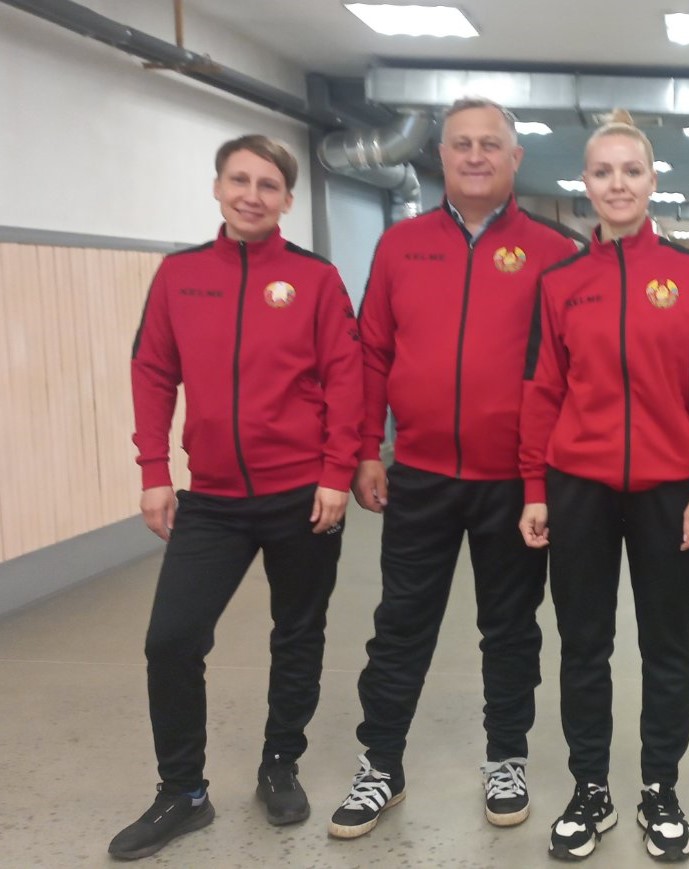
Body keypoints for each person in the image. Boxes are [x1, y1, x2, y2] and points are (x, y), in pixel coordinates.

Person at [328, 97, 581, 840]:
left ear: (515, 159)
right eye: (461, 144)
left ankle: (507, 757)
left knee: (510, 629)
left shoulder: (554, 253)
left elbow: (568, 374)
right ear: (439, 157)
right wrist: (365, 449)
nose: (475, 155)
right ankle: (381, 763)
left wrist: (546, 481)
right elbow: (372, 354)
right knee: (401, 624)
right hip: (420, 474)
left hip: (514, 483)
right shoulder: (400, 246)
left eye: (489, 144)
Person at [110, 135, 363, 860]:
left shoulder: (314, 279)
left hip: (302, 495)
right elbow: (152, 371)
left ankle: (279, 763)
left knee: (298, 632)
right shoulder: (180, 275)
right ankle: (183, 792)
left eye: (267, 184)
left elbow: (346, 377)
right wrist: (154, 470)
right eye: (239, 180)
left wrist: (337, 472)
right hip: (213, 500)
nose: (252, 194)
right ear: (218, 188)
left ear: (287, 199)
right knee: (171, 639)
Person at [519, 111, 689, 862]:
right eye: (604, 172)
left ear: (651, 180)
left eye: (631, 171)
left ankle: (659, 788)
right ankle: (590, 789)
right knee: (584, 644)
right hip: (578, 486)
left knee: (667, 645)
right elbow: (543, 390)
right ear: (587, 183)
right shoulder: (560, 283)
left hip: (669, 491)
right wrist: (535, 486)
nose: (618, 184)